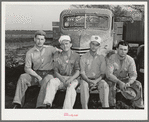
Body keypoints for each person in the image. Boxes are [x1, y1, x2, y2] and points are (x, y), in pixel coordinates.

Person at [13, 30, 58, 108]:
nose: (39, 41)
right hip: (36, 74)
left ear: (45, 40)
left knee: (47, 80)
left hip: (49, 73)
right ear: (34, 39)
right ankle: (18, 103)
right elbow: (27, 68)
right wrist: (38, 77)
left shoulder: (50, 49)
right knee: (23, 77)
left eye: (42, 39)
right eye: (38, 39)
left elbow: (61, 52)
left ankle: (41, 106)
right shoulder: (30, 52)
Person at [43, 35, 80, 109]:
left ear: (70, 44)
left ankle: (67, 109)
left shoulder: (76, 55)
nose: (65, 46)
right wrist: (63, 80)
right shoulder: (57, 55)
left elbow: (78, 71)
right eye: (62, 44)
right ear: (60, 46)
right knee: (52, 82)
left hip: (72, 78)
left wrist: (69, 80)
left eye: (66, 43)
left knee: (70, 87)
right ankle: (48, 104)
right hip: (61, 78)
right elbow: (56, 71)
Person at [106, 41, 144, 109]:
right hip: (114, 80)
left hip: (125, 80)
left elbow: (133, 74)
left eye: (125, 49)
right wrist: (119, 82)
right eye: (121, 49)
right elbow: (109, 74)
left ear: (127, 50)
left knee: (138, 84)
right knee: (111, 84)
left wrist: (129, 82)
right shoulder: (111, 58)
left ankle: (139, 106)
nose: (123, 51)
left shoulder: (130, 60)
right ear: (117, 49)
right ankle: (112, 106)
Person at [80, 35, 109, 109]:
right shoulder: (84, 57)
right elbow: (82, 72)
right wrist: (88, 80)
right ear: (90, 44)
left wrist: (96, 81)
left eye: (96, 45)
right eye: (93, 44)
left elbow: (103, 73)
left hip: (98, 80)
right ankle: (84, 109)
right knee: (83, 85)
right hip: (86, 79)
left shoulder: (101, 58)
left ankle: (105, 107)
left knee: (104, 84)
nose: (94, 47)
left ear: (99, 46)